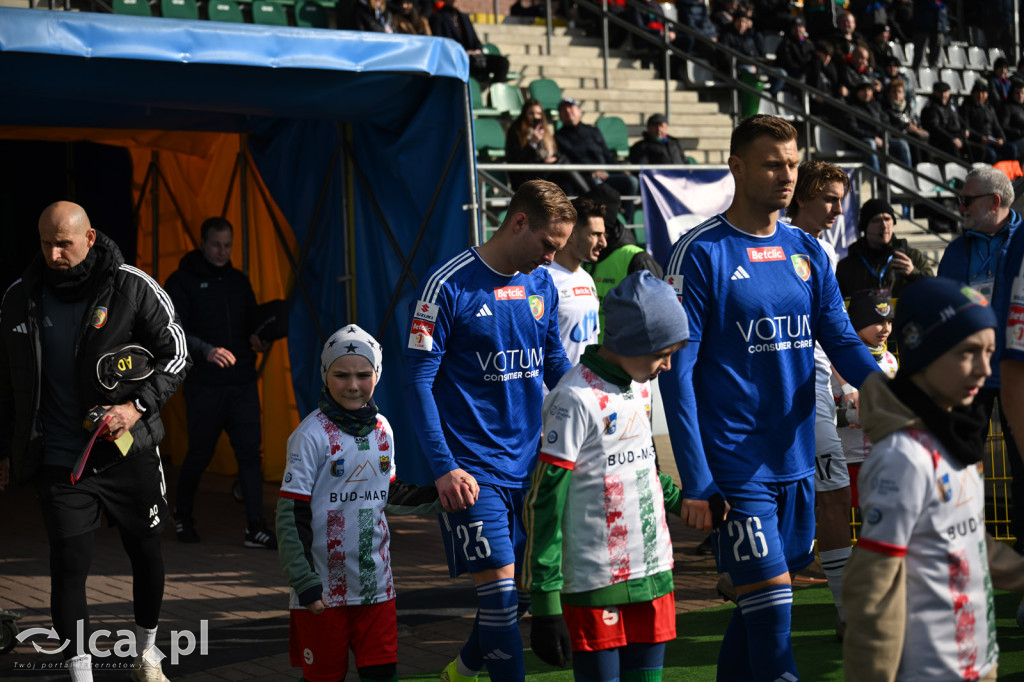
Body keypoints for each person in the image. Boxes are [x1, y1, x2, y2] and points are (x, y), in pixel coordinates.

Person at [660, 115, 878, 681]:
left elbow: (843, 341)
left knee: (759, 608)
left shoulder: (806, 249)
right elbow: (676, 376)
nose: (787, 175)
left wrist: (894, 396)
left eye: (792, 163)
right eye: (772, 163)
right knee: (776, 610)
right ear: (736, 167)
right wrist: (697, 478)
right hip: (735, 468)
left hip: (796, 459)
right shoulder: (701, 253)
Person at [0, 201, 190, 682]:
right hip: (62, 458)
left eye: (64, 243)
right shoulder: (20, 297)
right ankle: (80, 675)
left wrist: (136, 407)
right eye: (46, 242)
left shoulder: (132, 285)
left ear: (89, 238)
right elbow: (6, 382)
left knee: (146, 552)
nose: (54, 253)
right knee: (68, 565)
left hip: (128, 452)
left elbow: (176, 353)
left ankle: (146, 654)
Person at [403, 179, 576, 682]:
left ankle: (461, 671)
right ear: (519, 222)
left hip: (533, 467)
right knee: (500, 602)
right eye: (548, 245)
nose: (550, 259)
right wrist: (444, 467)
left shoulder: (541, 283)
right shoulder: (447, 283)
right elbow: (417, 380)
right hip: (472, 473)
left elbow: (552, 361)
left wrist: (595, 402)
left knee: (520, 595)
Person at [842, 277, 1024, 681]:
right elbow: (873, 592)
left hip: (977, 664)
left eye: (990, 353)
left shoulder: (956, 438)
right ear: (922, 348)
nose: (984, 368)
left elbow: (969, 542)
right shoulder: (902, 457)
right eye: (967, 352)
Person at [522, 271, 687, 679]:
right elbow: (544, 500)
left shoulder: (640, 386)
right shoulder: (572, 398)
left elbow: (643, 466)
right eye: (662, 354)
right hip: (594, 584)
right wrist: (545, 604)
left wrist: (687, 503)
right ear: (632, 342)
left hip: (653, 573)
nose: (667, 365)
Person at [277, 325, 398, 682]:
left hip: (377, 589)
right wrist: (305, 582)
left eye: (364, 375)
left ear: (377, 375)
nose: (353, 385)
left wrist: (446, 496)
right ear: (324, 375)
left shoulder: (384, 429)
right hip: (322, 594)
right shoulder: (309, 435)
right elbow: (290, 517)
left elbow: (391, 493)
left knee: (382, 675)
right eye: (341, 375)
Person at [165, 218, 277, 550]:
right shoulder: (181, 281)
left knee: (250, 456)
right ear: (202, 242)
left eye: (228, 245)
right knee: (199, 454)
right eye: (216, 244)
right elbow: (171, 329)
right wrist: (206, 351)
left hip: (242, 382)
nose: (222, 251)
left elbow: (250, 323)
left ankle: (255, 527)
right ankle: (183, 515)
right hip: (205, 385)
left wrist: (259, 339)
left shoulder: (238, 281)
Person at [937, 165, 1024, 544]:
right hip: (967, 374)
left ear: (994, 201)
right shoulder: (956, 250)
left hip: (1015, 370)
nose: (960, 207)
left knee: (1022, 465)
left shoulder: (1022, 240)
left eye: (966, 199)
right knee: (957, 463)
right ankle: (960, 550)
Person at [786, 160, 855, 639]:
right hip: (778, 386)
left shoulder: (823, 250)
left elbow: (835, 329)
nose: (836, 209)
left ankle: (846, 609)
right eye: (828, 198)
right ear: (804, 195)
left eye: (839, 200)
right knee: (791, 494)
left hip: (815, 385)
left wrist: (854, 380)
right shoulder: (778, 240)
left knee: (832, 494)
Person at [833, 288, 898, 509]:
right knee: (840, 511)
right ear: (858, 323)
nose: (886, 329)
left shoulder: (890, 359)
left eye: (889, 322)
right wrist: (848, 414)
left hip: (882, 456)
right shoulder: (837, 363)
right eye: (878, 322)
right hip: (847, 458)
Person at [579, 183, 663, 344]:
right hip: (588, 361)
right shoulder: (578, 256)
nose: (600, 242)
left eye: (601, 234)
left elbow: (659, 320)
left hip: (621, 363)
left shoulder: (637, 260)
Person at [542, 197, 605, 368]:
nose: (603, 243)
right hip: (551, 392)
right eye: (595, 234)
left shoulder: (586, 278)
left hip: (583, 389)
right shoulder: (542, 279)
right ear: (571, 234)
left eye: (603, 235)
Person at [555, 97, 639, 217]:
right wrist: (591, 172)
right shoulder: (558, 138)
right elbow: (568, 164)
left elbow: (607, 155)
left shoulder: (593, 131)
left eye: (571, 108)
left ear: (578, 111)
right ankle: (607, 218)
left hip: (606, 176)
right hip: (585, 179)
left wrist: (620, 170)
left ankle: (626, 217)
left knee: (632, 181)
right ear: (560, 116)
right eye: (563, 110)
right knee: (597, 183)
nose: (568, 112)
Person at [835, 197, 933, 297]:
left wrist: (913, 272)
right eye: (877, 220)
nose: (884, 225)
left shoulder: (911, 256)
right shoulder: (848, 265)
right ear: (865, 226)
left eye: (887, 219)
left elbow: (933, 287)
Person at [504, 100, 586, 195]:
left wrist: (552, 159)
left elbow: (555, 153)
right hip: (526, 175)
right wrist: (532, 144)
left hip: (545, 172)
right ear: (524, 114)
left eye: (539, 113)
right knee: (563, 164)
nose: (535, 117)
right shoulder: (516, 131)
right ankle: (589, 194)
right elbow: (517, 161)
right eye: (531, 113)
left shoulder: (545, 133)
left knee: (567, 185)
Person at [429, 0, 509, 83]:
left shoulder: (464, 18)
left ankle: (494, 93)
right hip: (456, 60)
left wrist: (477, 50)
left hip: (473, 59)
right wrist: (462, 52)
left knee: (502, 62)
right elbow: (441, 44)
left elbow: (476, 41)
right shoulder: (437, 18)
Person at [843, 78, 913, 171]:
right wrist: (873, 137)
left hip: (881, 140)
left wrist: (885, 140)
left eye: (869, 90)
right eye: (863, 90)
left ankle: (907, 175)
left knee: (902, 144)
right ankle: (878, 179)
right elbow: (853, 129)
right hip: (861, 141)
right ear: (857, 92)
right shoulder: (851, 107)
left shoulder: (876, 105)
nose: (867, 93)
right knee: (871, 144)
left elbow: (886, 124)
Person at [960, 79, 1017, 165]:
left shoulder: (989, 107)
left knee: (1011, 148)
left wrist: (1001, 138)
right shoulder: (966, 107)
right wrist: (980, 138)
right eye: (978, 92)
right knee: (991, 154)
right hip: (977, 141)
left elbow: (997, 126)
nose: (980, 95)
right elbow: (966, 128)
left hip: (991, 139)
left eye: (983, 93)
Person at [921, 81, 970, 161]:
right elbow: (935, 128)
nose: (943, 95)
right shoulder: (930, 108)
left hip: (956, 137)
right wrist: (952, 139)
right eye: (940, 92)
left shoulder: (950, 106)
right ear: (935, 93)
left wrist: (965, 129)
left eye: (945, 92)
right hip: (941, 141)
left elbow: (960, 120)